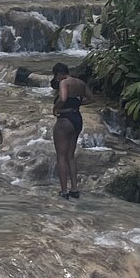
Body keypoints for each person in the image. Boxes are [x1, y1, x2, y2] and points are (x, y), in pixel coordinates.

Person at [52, 63, 94, 199]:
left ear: (59, 74)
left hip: (65, 119)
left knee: (61, 156)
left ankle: (64, 191)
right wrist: (77, 104)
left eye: (56, 76)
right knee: (70, 155)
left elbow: (63, 98)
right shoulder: (80, 83)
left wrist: (55, 108)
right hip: (77, 118)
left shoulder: (64, 82)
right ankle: (74, 189)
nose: (57, 79)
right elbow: (91, 99)